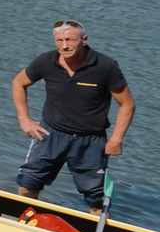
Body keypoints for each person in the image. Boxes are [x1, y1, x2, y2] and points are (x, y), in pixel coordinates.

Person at [12, 21, 134, 210]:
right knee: (27, 185)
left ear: (83, 40)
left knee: (97, 200)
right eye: (59, 41)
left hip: (90, 141)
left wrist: (116, 139)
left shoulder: (105, 66)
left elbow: (127, 104)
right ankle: (24, 223)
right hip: (50, 134)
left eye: (70, 40)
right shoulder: (45, 61)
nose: (65, 45)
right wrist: (24, 120)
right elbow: (18, 83)